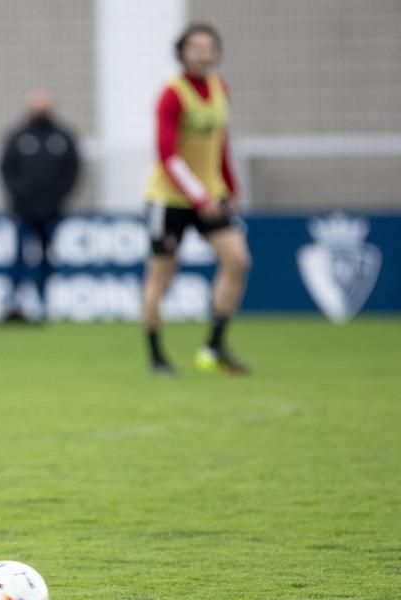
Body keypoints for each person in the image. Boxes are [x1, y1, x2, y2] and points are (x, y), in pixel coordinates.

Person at [142, 23, 251, 375]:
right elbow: (168, 154)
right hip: (170, 199)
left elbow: (220, 142)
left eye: (209, 47)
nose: (203, 53)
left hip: (210, 196)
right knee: (162, 276)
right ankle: (157, 356)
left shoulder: (221, 89)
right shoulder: (172, 95)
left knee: (237, 259)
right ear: (182, 53)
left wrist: (229, 186)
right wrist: (198, 195)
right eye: (195, 47)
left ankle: (214, 345)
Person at [0, 88, 81, 322]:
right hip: (23, 210)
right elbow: (6, 170)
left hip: (52, 210)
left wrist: (57, 198)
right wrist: (21, 197)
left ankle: (43, 304)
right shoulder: (18, 137)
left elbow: (73, 171)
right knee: (20, 256)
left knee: (46, 257)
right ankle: (14, 304)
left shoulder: (62, 137)